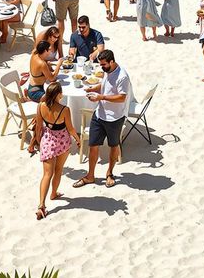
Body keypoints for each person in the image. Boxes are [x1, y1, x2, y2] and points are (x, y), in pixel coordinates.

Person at [74, 49, 130, 189]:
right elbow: (105, 85)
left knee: (113, 146)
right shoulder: (107, 71)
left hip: (114, 118)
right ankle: (90, 176)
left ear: (112, 61)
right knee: (93, 146)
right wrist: (93, 88)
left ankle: (110, 173)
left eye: (104, 65)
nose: (102, 67)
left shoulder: (122, 76)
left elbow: (122, 97)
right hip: (99, 115)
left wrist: (101, 97)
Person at [30, 81, 79, 220]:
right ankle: (54, 193)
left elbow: (39, 127)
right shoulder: (65, 110)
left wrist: (39, 142)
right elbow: (70, 129)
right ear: (58, 94)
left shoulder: (40, 106)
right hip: (62, 141)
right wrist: (78, 139)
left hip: (48, 140)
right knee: (58, 170)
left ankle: (41, 205)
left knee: (46, 174)